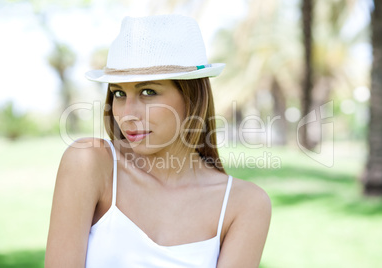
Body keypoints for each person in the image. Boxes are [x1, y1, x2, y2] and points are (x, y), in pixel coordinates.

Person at [45, 14, 271, 268]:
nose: (128, 113)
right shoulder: (90, 164)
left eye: (148, 91)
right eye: (119, 93)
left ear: (192, 97)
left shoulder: (244, 204)